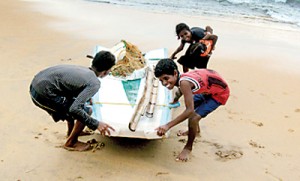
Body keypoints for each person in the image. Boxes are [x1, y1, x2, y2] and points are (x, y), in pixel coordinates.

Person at [29, 50, 116, 151]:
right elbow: (75, 108)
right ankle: (71, 142)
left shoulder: (83, 70)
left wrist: (86, 97)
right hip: (42, 93)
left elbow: (71, 92)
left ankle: (71, 132)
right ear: (105, 72)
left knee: (72, 103)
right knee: (85, 111)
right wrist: (96, 124)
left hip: (37, 83)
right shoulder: (94, 83)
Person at [154, 59, 230, 161]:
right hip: (208, 89)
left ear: (175, 73)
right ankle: (196, 131)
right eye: (161, 80)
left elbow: (190, 110)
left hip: (219, 94)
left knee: (193, 117)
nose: (164, 83)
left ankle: (188, 148)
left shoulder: (184, 83)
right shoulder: (182, 79)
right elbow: (180, 91)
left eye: (166, 78)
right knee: (192, 105)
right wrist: (175, 100)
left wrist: (167, 125)